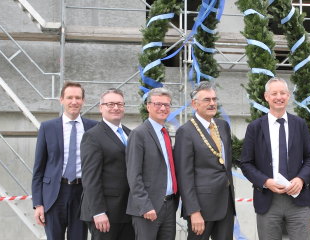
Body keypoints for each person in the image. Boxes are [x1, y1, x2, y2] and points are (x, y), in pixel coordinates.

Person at [239, 77, 310, 240]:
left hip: (298, 199)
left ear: (288, 96)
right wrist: (266, 182)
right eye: (274, 93)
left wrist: (301, 179)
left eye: (283, 93)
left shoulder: (300, 124)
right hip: (268, 199)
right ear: (266, 97)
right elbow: (246, 163)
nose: (279, 97)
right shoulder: (255, 127)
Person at [32, 81, 97, 240]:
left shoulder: (94, 127)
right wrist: (38, 203)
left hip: (82, 194)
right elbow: (38, 169)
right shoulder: (48, 127)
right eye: (69, 97)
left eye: (78, 98)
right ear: (61, 100)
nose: (74, 102)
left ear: (83, 101)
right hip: (54, 194)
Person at [174, 82, 235, 240]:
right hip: (201, 208)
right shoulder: (185, 132)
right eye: (207, 100)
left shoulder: (222, 126)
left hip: (226, 203)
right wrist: (193, 211)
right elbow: (184, 176)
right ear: (195, 104)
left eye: (214, 99)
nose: (212, 103)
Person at [80, 88, 134, 240]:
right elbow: (90, 178)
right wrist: (98, 212)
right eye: (110, 104)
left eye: (119, 104)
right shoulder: (92, 136)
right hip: (105, 213)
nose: (115, 108)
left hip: (127, 211)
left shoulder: (130, 134)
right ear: (101, 107)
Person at [126, 88, 179, 240]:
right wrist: (145, 206)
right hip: (148, 207)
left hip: (168, 205)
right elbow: (133, 174)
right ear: (148, 106)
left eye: (167, 105)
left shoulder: (165, 133)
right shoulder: (139, 134)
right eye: (158, 104)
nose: (163, 108)